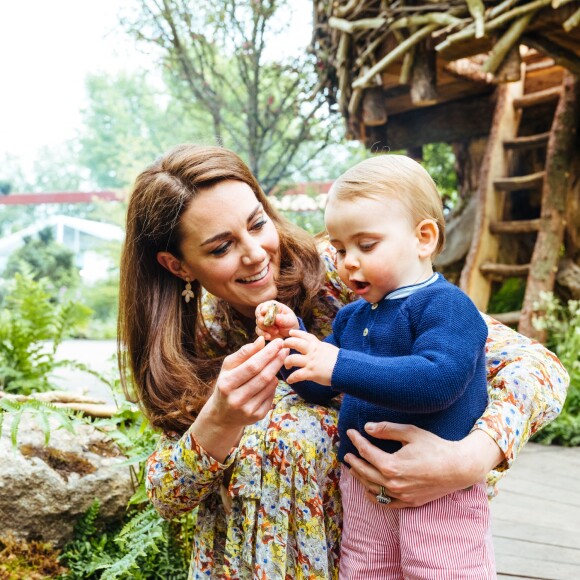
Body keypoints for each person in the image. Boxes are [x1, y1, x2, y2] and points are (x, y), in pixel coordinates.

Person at [118, 143, 569, 580]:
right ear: (177, 266)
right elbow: (167, 495)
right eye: (221, 248)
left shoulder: (352, 272)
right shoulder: (190, 343)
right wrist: (218, 421)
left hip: (401, 540)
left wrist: (470, 459)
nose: (255, 254)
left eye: (257, 224)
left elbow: (538, 366)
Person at [256, 155, 494, 578]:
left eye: (366, 245)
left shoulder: (447, 306)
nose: (349, 261)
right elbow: (317, 385)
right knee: (366, 570)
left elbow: (438, 381)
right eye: (341, 248)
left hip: (438, 491)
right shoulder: (352, 317)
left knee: (442, 570)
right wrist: (290, 344)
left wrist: (339, 365)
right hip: (363, 486)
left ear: (423, 238)